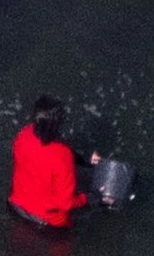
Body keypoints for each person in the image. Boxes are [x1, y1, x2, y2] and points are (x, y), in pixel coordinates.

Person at [9, 96, 99, 228]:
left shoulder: (24, 134)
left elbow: (43, 155)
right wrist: (89, 198)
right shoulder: (62, 157)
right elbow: (66, 203)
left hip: (16, 206)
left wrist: (82, 159)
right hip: (46, 220)